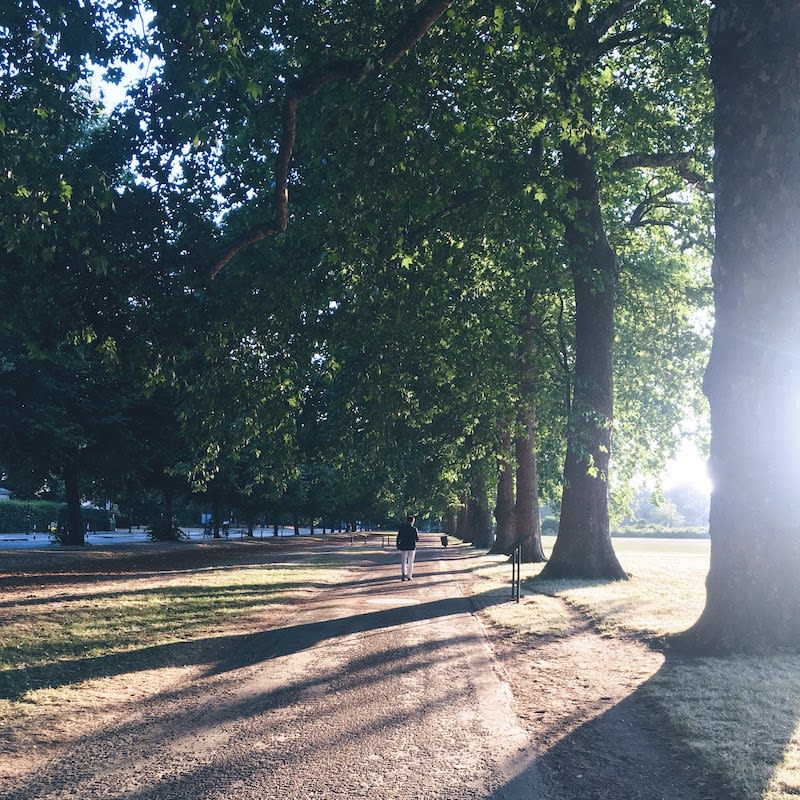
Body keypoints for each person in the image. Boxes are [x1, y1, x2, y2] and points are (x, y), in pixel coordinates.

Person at [396, 515, 419, 581]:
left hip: (403, 546)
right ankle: (409, 576)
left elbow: (398, 538)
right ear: (412, 521)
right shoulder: (414, 529)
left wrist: (397, 545)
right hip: (412, 547)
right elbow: (417, 539)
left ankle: (403, 574)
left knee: (403, 561)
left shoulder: (402, 528)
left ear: (406, 521)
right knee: (411, 562)